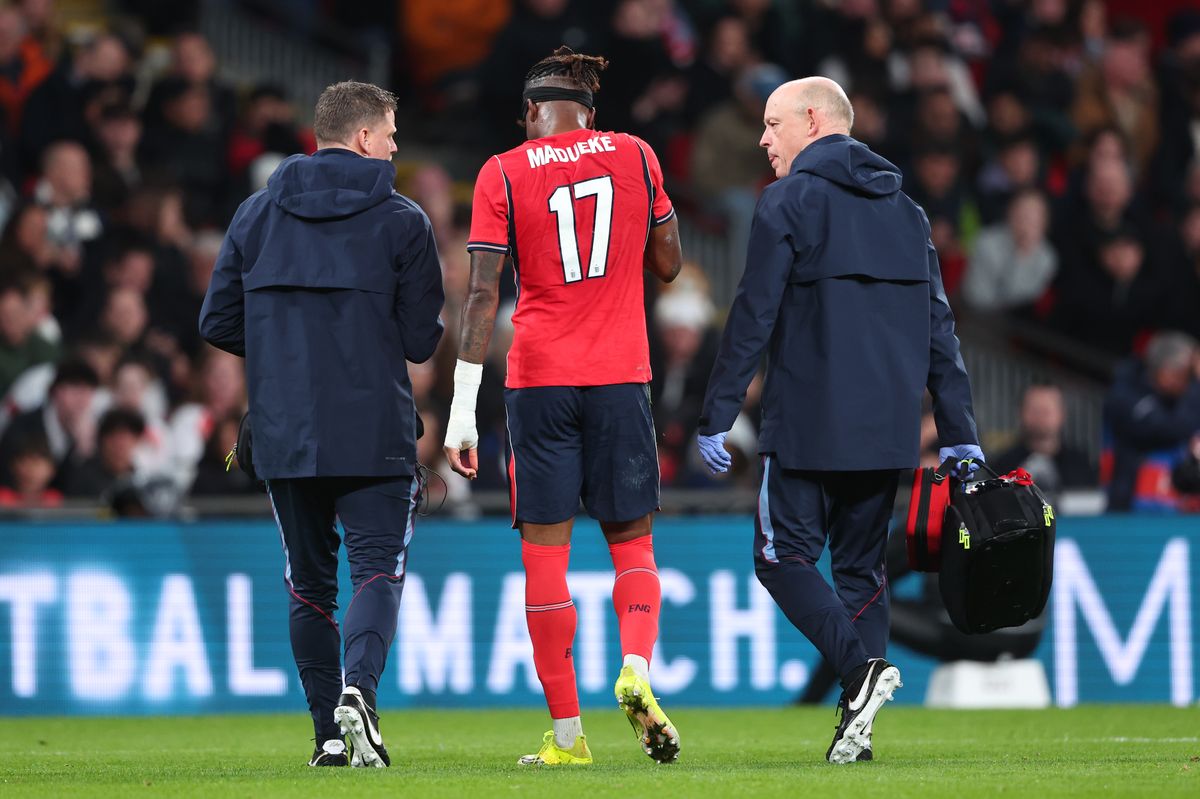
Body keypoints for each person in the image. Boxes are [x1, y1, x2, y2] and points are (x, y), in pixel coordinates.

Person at [696, 77, 981, 765]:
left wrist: (717, 413)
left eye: (772, 124)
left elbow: (753, 313)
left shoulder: (787, 201)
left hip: (807, 423)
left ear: (814, 121)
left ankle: (859, 674)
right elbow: (939, 330)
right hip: (887, 432)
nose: (763, 139)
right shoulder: (909, 213)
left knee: (779, 556)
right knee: (861, 573)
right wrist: (960, 429)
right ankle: (859, 731)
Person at [443, 47, 683, 767]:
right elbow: (668, 263)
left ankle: (568, 736)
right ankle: (636, 667)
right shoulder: (637, 155)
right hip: (620, 375)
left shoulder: (503, 170)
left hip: (539, 380)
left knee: (545, 557)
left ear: (531, 114)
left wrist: (461, 407)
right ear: (590, 112)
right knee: (632, 543)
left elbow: (483, 293)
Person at [199, 81, 445, 769]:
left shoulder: (256, 213)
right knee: (377, 569)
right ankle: (358, 694)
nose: (395, 145)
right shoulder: (404, 221)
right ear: (364, 137)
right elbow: (422, 340)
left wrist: (284, 348)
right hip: (373, 429)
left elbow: (216, 320)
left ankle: (327, 739)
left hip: (282, 429)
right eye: (391, 132)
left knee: (308, 583)